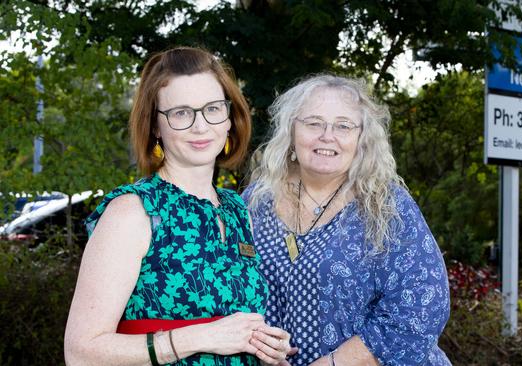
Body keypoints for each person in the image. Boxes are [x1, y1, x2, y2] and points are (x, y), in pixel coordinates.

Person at [64, 47, 291, 366]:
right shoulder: (134, 211)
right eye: (181, 113)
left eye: (213, 108)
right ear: (156, 126)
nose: (201, 126)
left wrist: (264, 349)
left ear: (229, 118)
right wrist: (202, 336)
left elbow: (232, 332)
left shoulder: (237, 210)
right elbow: (80, 353)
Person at [243, 74, 451, 365]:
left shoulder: (386, 206)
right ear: (291, 131)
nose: (327, 135)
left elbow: (422, 306)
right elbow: (234, 292)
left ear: (361, 138)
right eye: (313, 122)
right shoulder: (255, 203)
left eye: (343, 125)